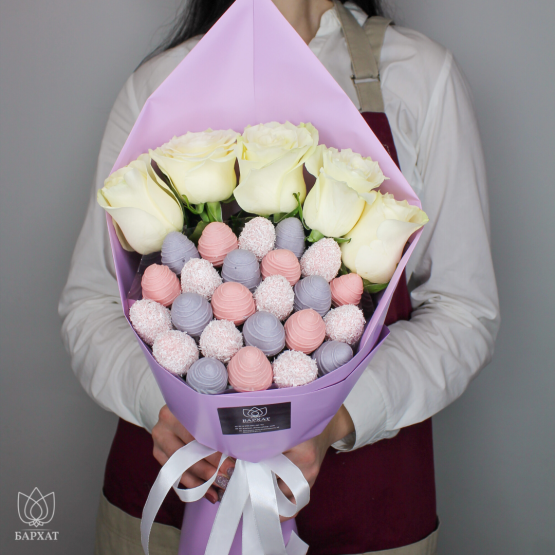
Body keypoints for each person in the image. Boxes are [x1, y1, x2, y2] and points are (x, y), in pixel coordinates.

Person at [59, 0, 500, 553]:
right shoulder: (161, 81)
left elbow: (464, 311)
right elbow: (91, 302)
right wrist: (162, 406)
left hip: (366, 510)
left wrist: (339, 418)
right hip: (176, 494)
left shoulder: (418, 76)